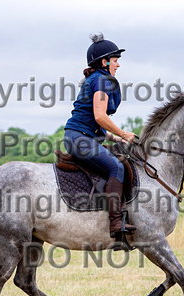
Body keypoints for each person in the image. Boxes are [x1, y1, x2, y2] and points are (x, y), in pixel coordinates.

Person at [63, 32, 136, 240]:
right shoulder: (102, 81)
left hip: (82, 137)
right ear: (104, 62)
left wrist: (116, 139)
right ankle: (115, 222)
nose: (118, 65)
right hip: (80, 139)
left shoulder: (97, 79)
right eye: (115, 61)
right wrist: (122, 132)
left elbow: (97, 124)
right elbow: (100, 116)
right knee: (115, 167)